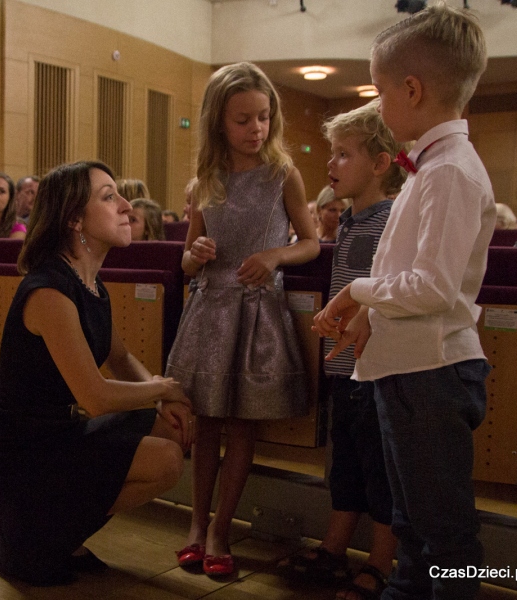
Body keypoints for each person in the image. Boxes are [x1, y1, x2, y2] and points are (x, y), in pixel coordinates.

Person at [313, 5, 494, 599]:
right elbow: (407, 269)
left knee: (445, 541)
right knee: (413, 530)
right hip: (408, 368)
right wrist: (369, 311)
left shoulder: (449, 173)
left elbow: (432, 288)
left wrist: (358, 289)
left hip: (432, 374)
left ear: (412, 90)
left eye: (380, 89)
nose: (380, 101)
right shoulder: (430, 167)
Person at [0, 160, 194, 586]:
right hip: (16, 451)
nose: (127, 206)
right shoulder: (50, 290)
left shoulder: (90, 283)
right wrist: (166, 387)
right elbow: (97, 397)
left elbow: (122, 360)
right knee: (164, 460)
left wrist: (162, 398)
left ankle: (51, 535)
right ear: (73, 219)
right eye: (109, 197)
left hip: (56, 435)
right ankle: (43, 534)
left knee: (167, 429)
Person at [165, 62, 319, 577]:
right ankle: (195, 523)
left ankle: (221, 529)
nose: (256, 129)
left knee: (244, 423)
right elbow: (186, 259)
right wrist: (198, 253)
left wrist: (275, 256)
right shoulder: (206, 181)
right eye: (243, 120)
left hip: (257, 312)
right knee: (206, 423)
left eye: (264, 117)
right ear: (218, 123)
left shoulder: (283, 175)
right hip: (211, 309)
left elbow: (311, 241)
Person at [280, 99, 404, 600]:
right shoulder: (349, 220)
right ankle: (335, 547)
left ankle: (379, 561)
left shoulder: (393, 219)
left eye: (344, 155)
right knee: (346, 462)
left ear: (380, 164)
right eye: (331, 154)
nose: (330, 165)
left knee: (380, 467)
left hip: (377, 366)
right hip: (344, 364)